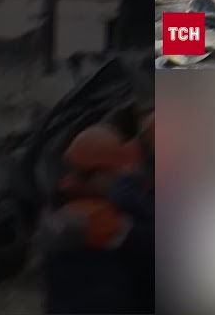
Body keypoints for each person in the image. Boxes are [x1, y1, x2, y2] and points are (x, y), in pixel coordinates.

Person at [40, 123, 154, 314]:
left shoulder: (64, 199)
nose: (121, 177)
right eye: (116, 173)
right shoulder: (91, 219)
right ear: (100, 174)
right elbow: (147, 240)